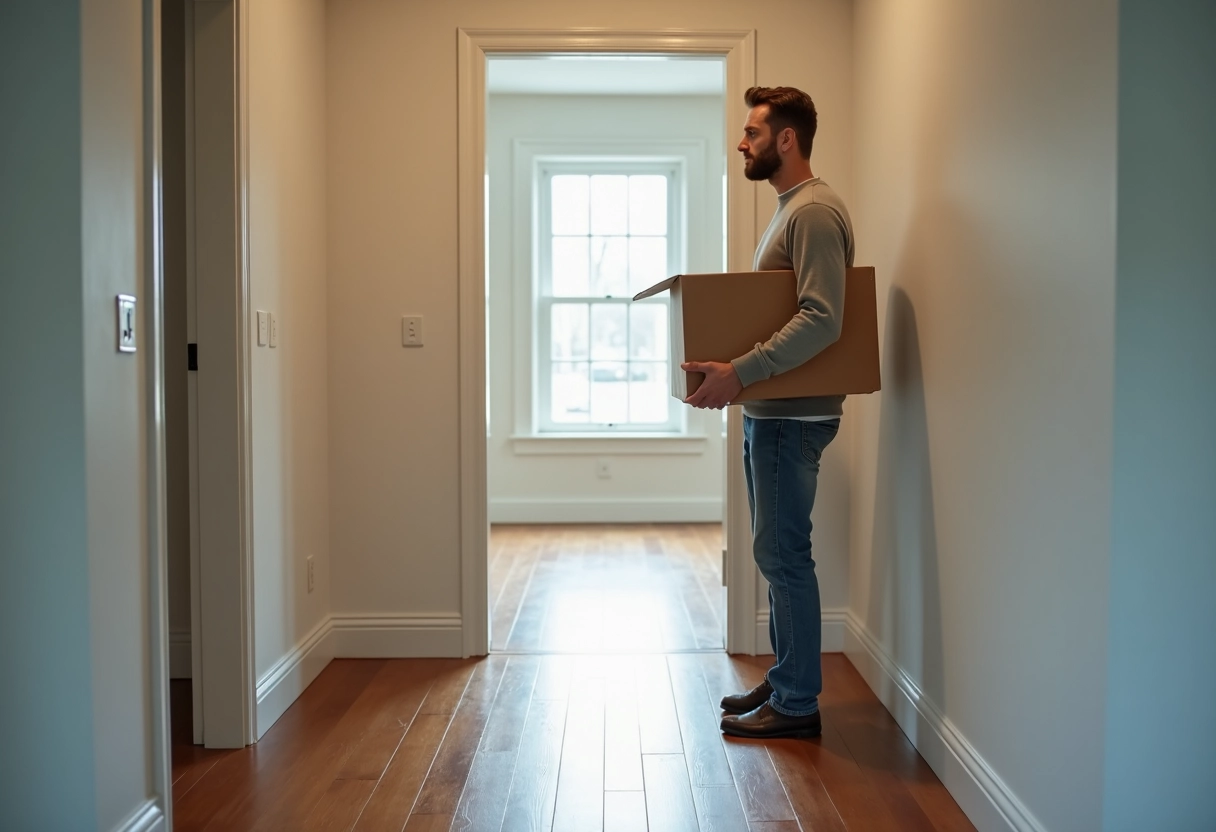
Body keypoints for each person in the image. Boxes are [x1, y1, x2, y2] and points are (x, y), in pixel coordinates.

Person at [682, 86, 854, 739]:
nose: (741, 141)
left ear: (786, 139)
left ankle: (798, 704)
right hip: (772, 412)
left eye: (752, 131)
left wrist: (741, 373)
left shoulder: (812, 214)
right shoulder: (790, 211)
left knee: (783, 555)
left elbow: (823, 319)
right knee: (774, 553)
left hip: (792, 415)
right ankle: (787, 678)